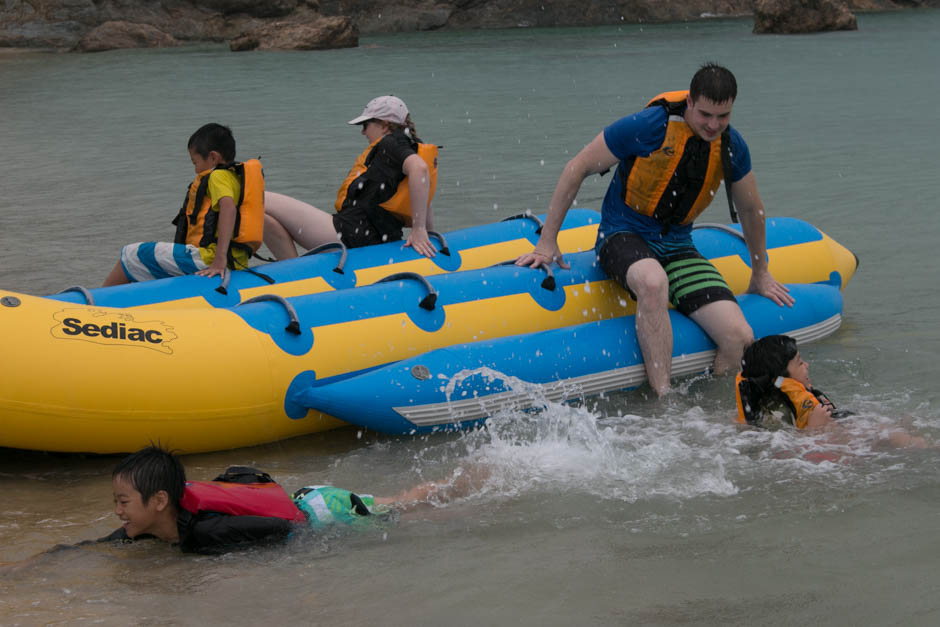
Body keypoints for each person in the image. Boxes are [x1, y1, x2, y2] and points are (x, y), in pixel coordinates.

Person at [516, 63, 794, 397]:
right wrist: (547, 242)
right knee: (652, 281)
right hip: (621, 234)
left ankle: (714, 412)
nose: (713, 125)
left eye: (723, 117)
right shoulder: (649, 126)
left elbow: (751, 209)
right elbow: (576, 168)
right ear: (689, 102)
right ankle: (664, 403)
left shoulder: (732, 146)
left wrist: (760, 272)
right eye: (705, 114)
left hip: (677, 244)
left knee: (739, 337)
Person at [102, 446, 478, 554]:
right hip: (309, 500)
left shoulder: (206, 530)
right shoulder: (151, 526)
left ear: (160, 501)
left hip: (326, 512)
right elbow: (109, 542)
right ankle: (463, 485)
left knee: (401, 512)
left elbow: (282, 527)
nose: (118, 512)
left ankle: (471, 495)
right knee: (398, 505)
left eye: (123, 502)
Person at [263, 95, 439, 259]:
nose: (363, 132)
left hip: (348, 235)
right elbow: (424, 189)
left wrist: (419, 229)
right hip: (375, 238)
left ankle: (295, 276)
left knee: (261, 198)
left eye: (365, 125)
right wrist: (430, 235)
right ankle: (293, 273)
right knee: (264, 218)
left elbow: (420, 170)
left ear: (385, 125)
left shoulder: (391, 144)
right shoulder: (410, 146)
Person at [102, 123, 264, 286]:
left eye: (195, 162)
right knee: (149, 259)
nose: (195, 170)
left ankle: (95, 304)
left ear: (213, 157)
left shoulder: (217, 177)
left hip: (207, 258)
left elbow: (228, 209)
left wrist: (219, 260)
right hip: (233, 260)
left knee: (131, 254)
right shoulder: (234, 178)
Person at [735, 335, 928, 449]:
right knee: (895, 436)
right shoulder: (787, 409)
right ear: (781, 379)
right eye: (800, 363)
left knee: (903, 424)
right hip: (848, 440)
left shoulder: (762, 406)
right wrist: (813, 428)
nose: (807, 365)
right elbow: (792, 447)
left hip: (849, 426)